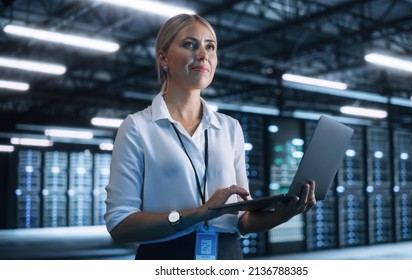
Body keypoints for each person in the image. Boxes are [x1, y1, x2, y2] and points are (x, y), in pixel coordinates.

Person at [104, 13, 316, 260]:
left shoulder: (229, 128)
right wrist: (199, 213)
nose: (203, 54)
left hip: (228, 256)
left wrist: (284, 214)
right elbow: (119, 225)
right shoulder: (138, 127)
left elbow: (240, 220)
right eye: (190, 45)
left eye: (210, 47)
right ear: (163, 58)